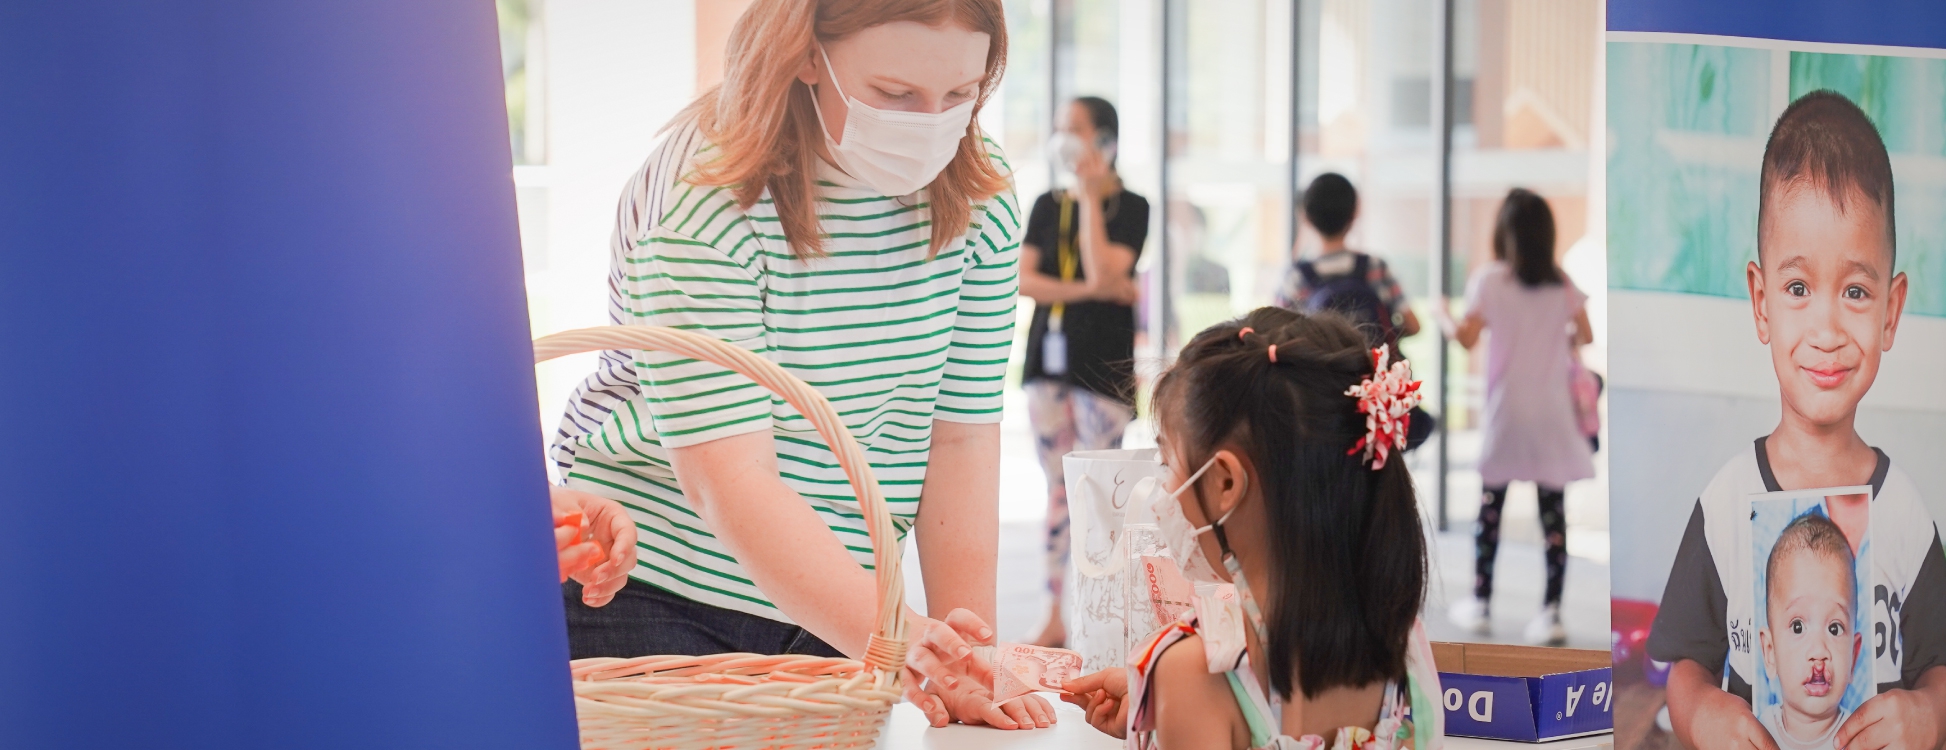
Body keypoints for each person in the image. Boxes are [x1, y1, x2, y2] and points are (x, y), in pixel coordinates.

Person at [543, 0, 1057, 730]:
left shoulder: (982, 198)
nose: (929, 124)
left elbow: (962, 437)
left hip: (838, 602)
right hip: (651, 593)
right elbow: (729, 479)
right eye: (894, 94)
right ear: (808, 55)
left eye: (960, 96)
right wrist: (901, 642)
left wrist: (970, 654)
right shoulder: (708, 201)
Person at [1646, 90, 1946, 750]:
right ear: (1761, 303)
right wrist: (1703, 713)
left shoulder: (1902, 511)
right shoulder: (1727, 499)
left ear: (1891, 310)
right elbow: (1683, 670)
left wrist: (1924, 717)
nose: (1825, 329)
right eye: (1798, 289)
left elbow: (1939, 673)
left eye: (1854, 291)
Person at [1060, 308, 1445, 750]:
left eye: (1168, 464)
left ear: (1226, 482)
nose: (1164, 490)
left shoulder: (1193, 672)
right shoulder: (1405, 651)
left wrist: (1175, 705)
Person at [1434, 187, 1593, 646]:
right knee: (1553, 516)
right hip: (1551, 412)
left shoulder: (1489, 281)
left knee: (1490, 509)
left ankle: (1481, 602)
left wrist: (1443, 315)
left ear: (1504, 233)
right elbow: (1584, 333)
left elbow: (1465, 338)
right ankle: (1551, 612)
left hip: (1507, 412)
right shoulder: (1560, 284)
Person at [1018, 95, 1149, 648]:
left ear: (1105, 141)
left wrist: (1092, 200)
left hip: (1103, 368)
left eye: (1074, 128)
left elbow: (1103, 265)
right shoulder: (1046, 204)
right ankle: (1054, 613)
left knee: (1104, 494)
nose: (1063, 137)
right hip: (1047, 366)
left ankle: (1106, 615)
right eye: (1058, 127)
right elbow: (1025, 279)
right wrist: (1093, 291)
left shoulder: (1133, 206)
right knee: (1056, 492)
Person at [1279, 172, 1432, 449]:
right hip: (1375, 402)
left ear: (1306, 218)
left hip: (1322, 400)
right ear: (1355, 213)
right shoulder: (1374, 267)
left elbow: (1278, 334)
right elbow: (1413, 325)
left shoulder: (1298, 277)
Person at [1756, 513, 1862, 750]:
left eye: (1834, 628)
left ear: (1854, 656)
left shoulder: (1857, 739)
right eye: (1798, 627)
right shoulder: (1759, 732)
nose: (1818, 651)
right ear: (1770, 652)